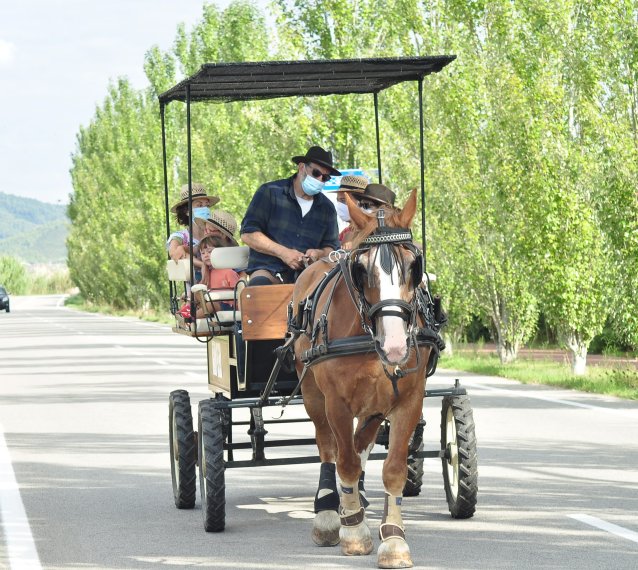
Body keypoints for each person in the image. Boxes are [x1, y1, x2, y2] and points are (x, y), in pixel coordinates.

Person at [240, 145, 341, 285]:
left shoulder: (327, 209)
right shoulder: (270, 192)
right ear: (301, 167)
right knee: (258, 290)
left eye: (325, 178)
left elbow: (332, 249)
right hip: (268, 271)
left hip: (309, 279)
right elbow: (248, 234)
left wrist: (318, 254)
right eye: (316, 173)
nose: (320, 180)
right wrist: (283, 253)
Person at [167, 183, 220, 269]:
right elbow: (174, 253)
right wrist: (202, 265)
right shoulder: (180, 237)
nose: (205, 209)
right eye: (199, 205)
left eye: (207, 205)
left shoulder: (215, 233)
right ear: (187, 211)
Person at [325, 174, 369, 246]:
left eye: (343, 200)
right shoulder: (345, 232)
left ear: (361, 202)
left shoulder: (373, 230)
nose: (339, 205)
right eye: (338, 201)